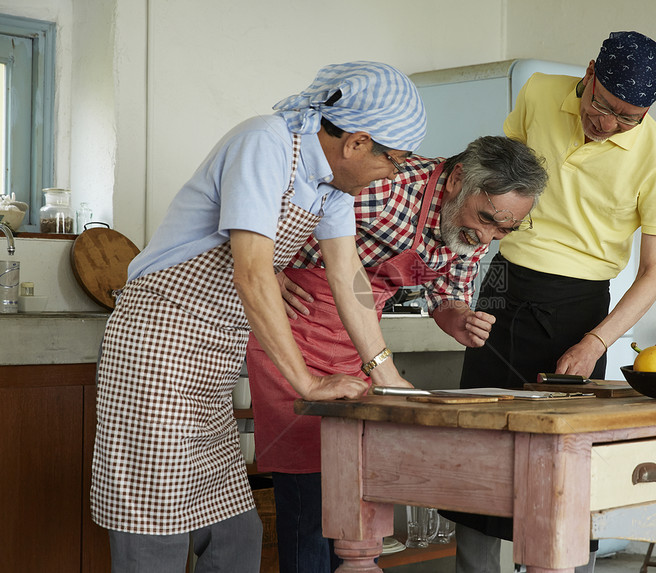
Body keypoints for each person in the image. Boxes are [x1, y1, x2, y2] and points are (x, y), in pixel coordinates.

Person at [89, 61, 427, 573]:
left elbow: (347, 273)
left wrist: (387, 373)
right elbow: (252, 271)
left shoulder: (331, 183)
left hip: (209, 367)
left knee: (236, 538)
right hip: (158, 349)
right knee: (154, 534)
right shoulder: (267, 143)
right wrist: (307, 383)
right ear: (357, 143)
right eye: (394, 160)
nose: (394, 174)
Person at [245, 135, 547, 573]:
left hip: (361, 344)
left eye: (504, 229)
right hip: (295, 329)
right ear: (458, 179)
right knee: (310, 490)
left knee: (352, 482)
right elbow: (258, 206)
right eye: (486, 220)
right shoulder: (384, 186)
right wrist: (267, 266)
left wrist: (457, 317)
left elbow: (447, 297)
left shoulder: (469, 230)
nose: (488, 236)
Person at [450, 31, 656, 573]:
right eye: (603, 107)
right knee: (475, 455)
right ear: (590, 73)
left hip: (580, 311)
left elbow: (653, 274)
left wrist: (596, 341)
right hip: (504, 282)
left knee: (565, 473)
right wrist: (460, 276)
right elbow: (492, 181)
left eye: (629, 118)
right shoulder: (537, 92)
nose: (608, 124)